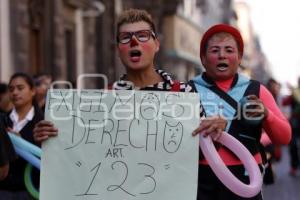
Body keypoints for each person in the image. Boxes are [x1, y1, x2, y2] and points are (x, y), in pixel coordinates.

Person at [190, 24, 291, 200]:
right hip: (201, 180)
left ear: (239, 57)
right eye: (215, 50)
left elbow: (284, 137)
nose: (222, 55)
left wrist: (267, 114)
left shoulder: (257, 90)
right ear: (203, 58)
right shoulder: (187, 90)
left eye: (229, 50)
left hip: (246, 178)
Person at [0, 72, 44, 199]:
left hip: (33, 190)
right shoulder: (3, 121)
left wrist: (22, 144)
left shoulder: (44, 122)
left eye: (20, 88)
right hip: (4, 190)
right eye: (11, 89)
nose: (14, 93)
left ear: (32, 91)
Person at [282, 77, 300, 176]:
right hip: (295, 123)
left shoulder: (295, 91)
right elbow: (285, 102)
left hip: (295, 123)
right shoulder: (295, 92)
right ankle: (294, 167)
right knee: (293, 145)